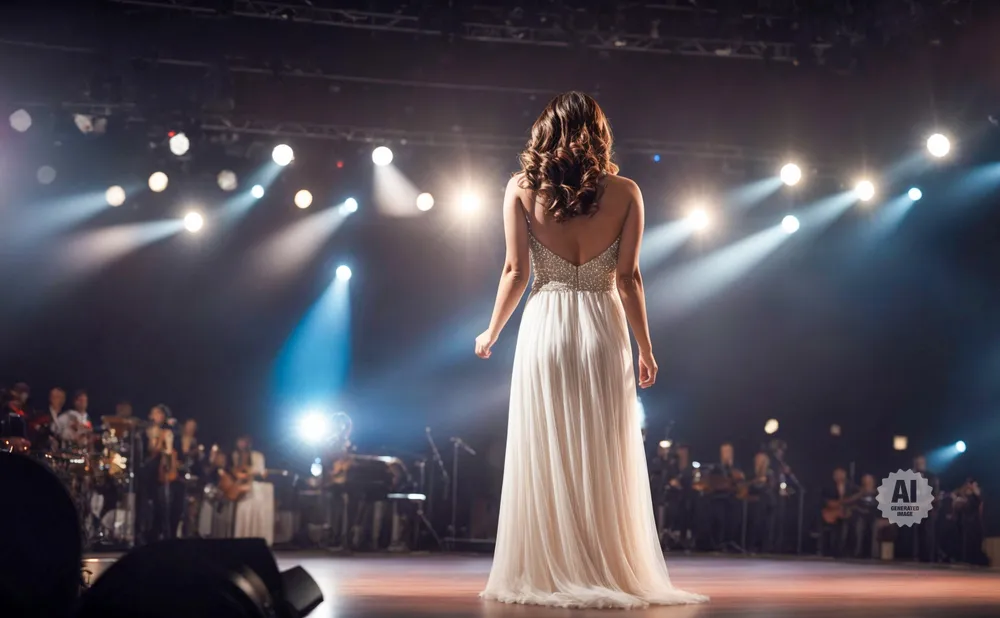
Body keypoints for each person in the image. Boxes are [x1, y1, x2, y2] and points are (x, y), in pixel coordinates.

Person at [476, 92, 706, 608]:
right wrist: (646, 349)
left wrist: (491, 332)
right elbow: (628, 280)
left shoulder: (521, 188)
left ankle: (550, 566)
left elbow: (515, 271)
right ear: (598, 133)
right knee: (603, 448)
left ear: (544, 132)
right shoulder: (626, 192)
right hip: (603, 328)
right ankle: (604, 564)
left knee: (548, 446)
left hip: (545, 328)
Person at [232, 435, 274, 546]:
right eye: (240, 441)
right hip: (241, 490)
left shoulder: (257, 456)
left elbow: (260, 472)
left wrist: (248, 472)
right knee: (243, 514)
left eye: (244, 441)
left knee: (254, 515)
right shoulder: (235, 455)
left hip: (255, 490)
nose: (242, 444)